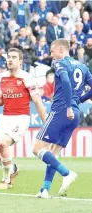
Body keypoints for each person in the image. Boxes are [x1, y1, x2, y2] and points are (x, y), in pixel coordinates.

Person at [0, 48, 47, 190]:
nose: (10, 59)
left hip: (20, 118)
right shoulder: (2, 77)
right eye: (8, 57)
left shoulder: (27, 78)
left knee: (3, 144)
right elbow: (0, 101)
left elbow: (37, 101)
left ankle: (7, 181)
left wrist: (46, 123)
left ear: (21, 61)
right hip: (5, 118)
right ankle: (13, 169)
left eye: (14, 57)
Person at [33, 39, 92, 199]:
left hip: (61, 110)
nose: (51, 55)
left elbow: (65, 80)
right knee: (53, 153)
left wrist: (67, 106)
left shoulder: (60, 64)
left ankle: (67, 173)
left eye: (52, 52)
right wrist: (78, 100)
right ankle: (45, 189)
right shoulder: (83, 66)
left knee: (37, 148)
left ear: (60, 50)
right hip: (75, 113)